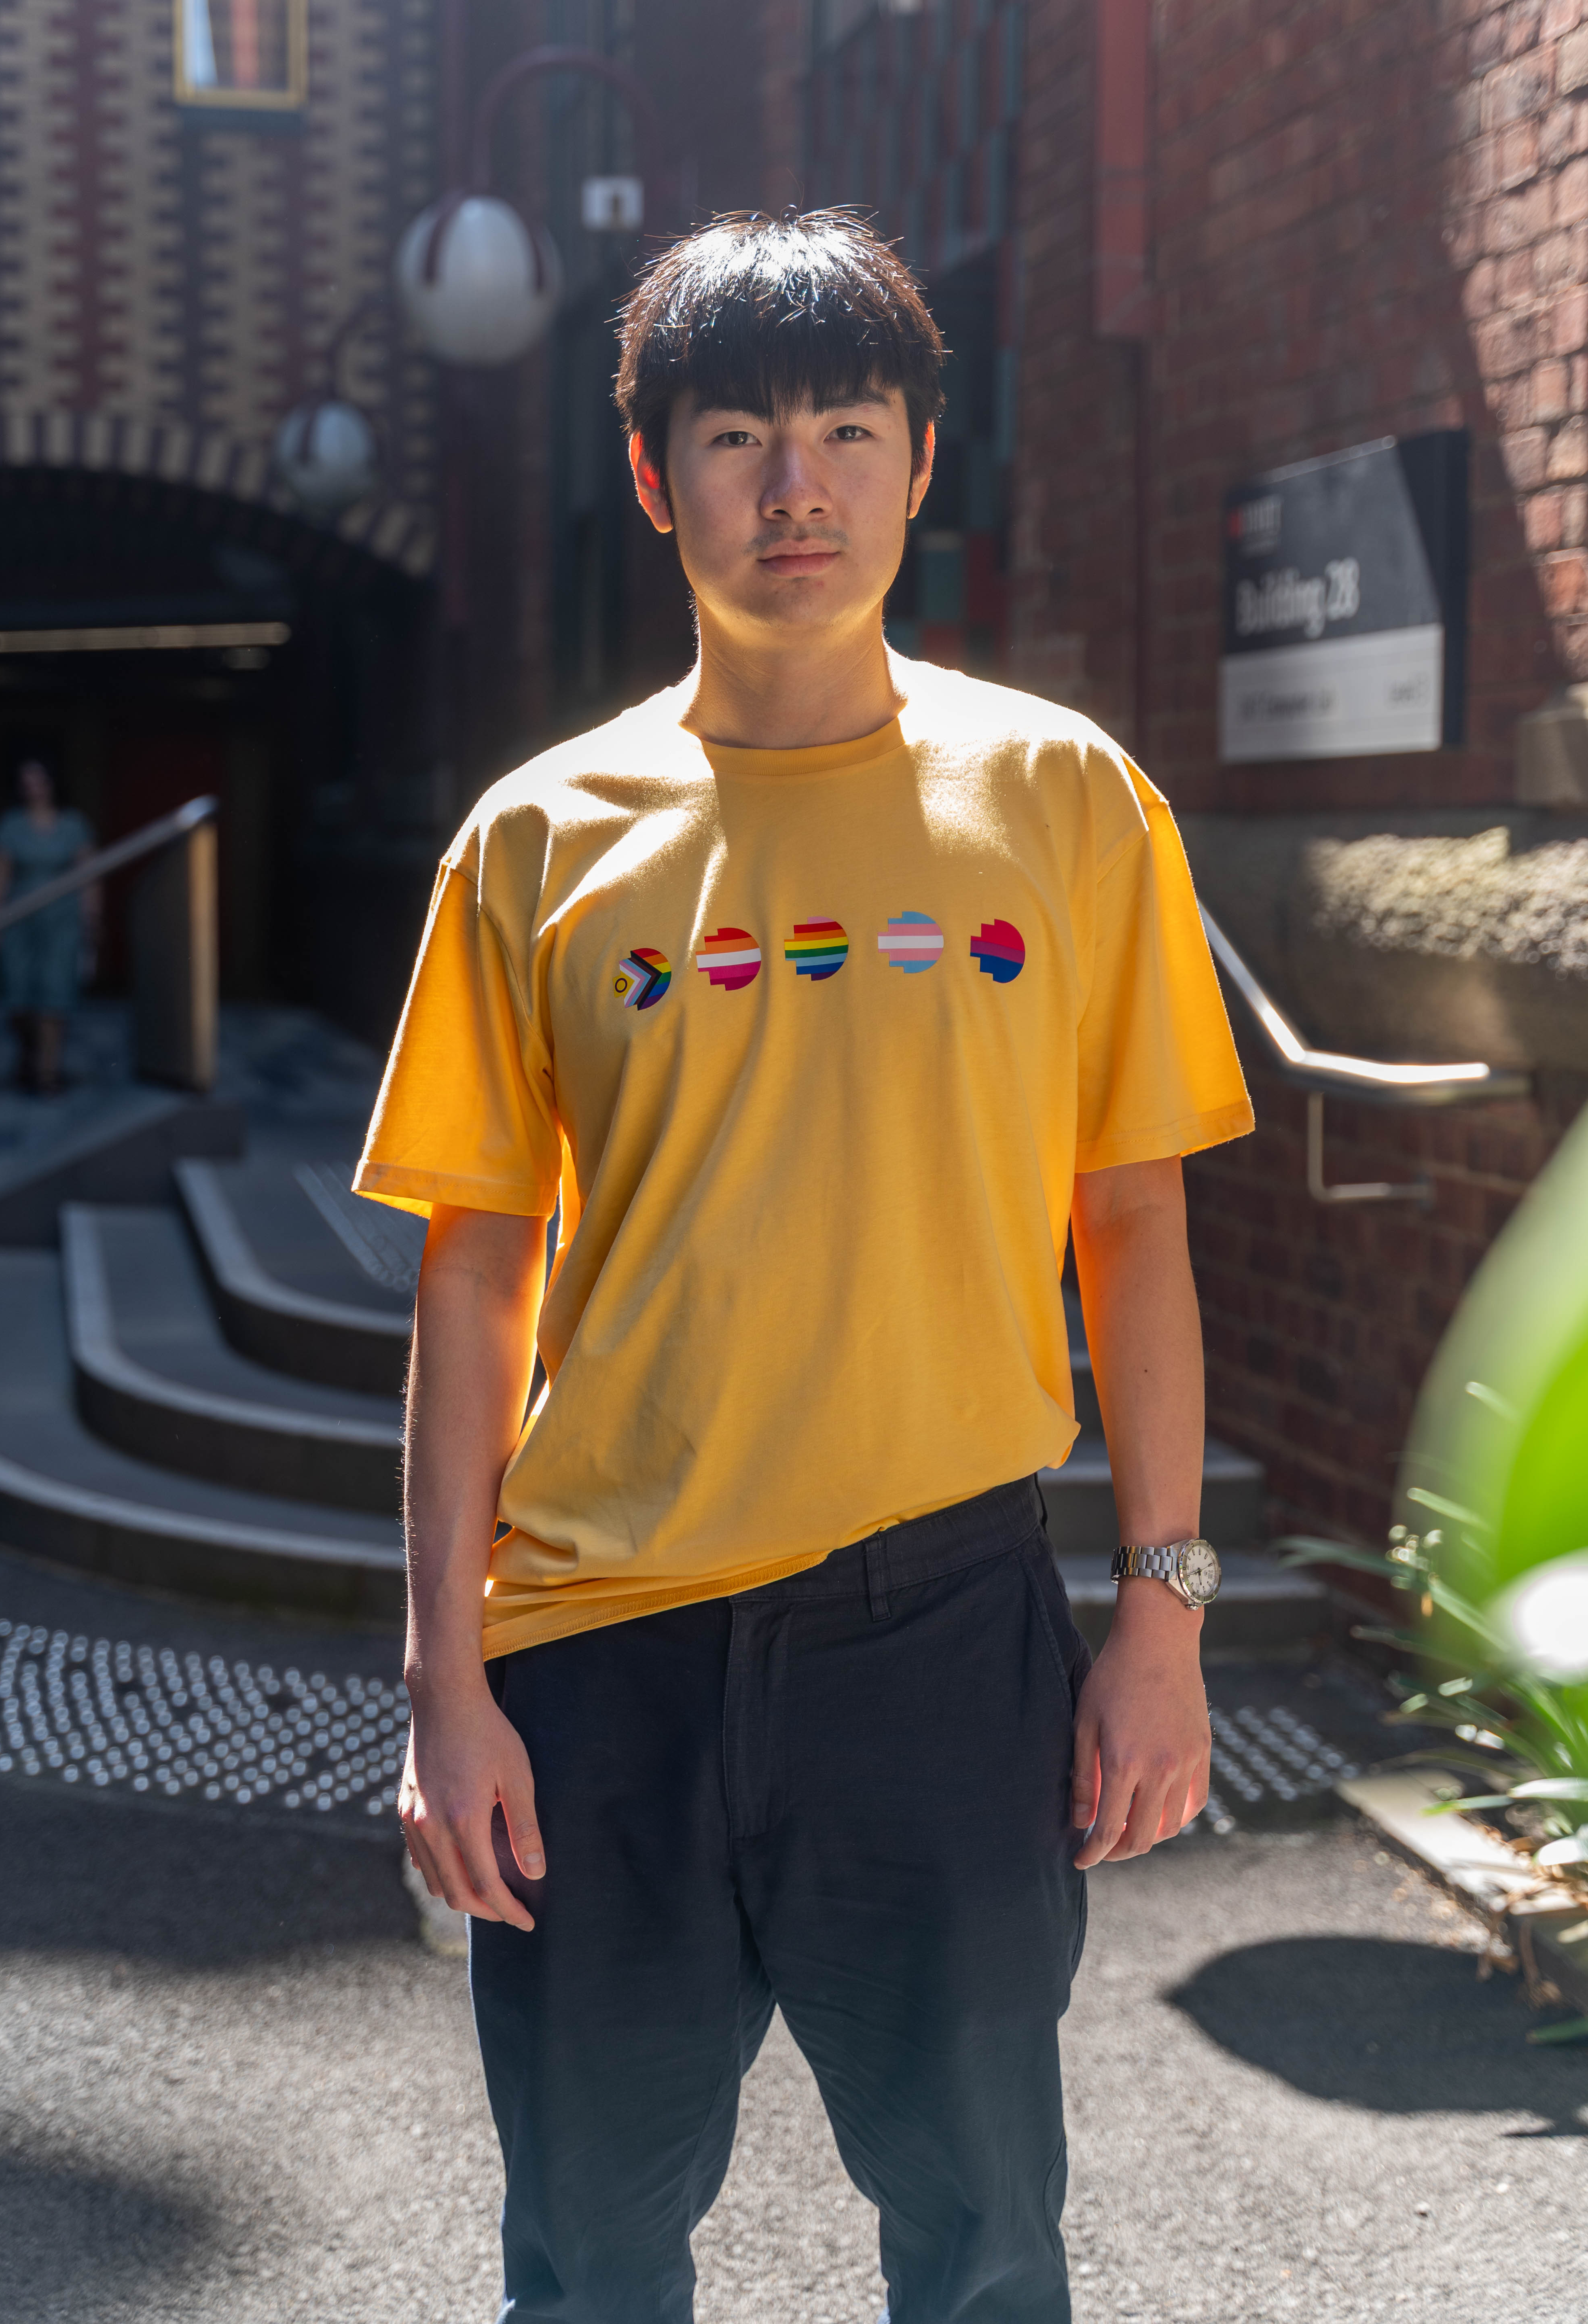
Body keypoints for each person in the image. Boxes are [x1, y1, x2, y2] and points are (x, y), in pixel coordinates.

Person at [356, 210, 1255, 2324]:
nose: (799, 488)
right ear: (657, 477)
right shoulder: (537, 842)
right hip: (600, 1664)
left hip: (937, 1639)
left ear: (920, 462)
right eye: (743, 437)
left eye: (849, 430)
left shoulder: (1066, 803)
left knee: (983, 2252)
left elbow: (1132, 1227)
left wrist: (1164, 1614)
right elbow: (473, 1287)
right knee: (586, 2264)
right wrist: (446, 1685)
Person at [0, 758, 97, 1096]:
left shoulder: (74, 824)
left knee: (54, 994)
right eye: (26, 782)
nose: (34, 789)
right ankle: (30, 1053)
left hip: (61, 921)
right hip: (19, 920)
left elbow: (90, 876)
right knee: (18, 1000)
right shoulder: (11, 825)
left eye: (40, 781)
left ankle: (47, 1072)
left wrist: (92, 919)